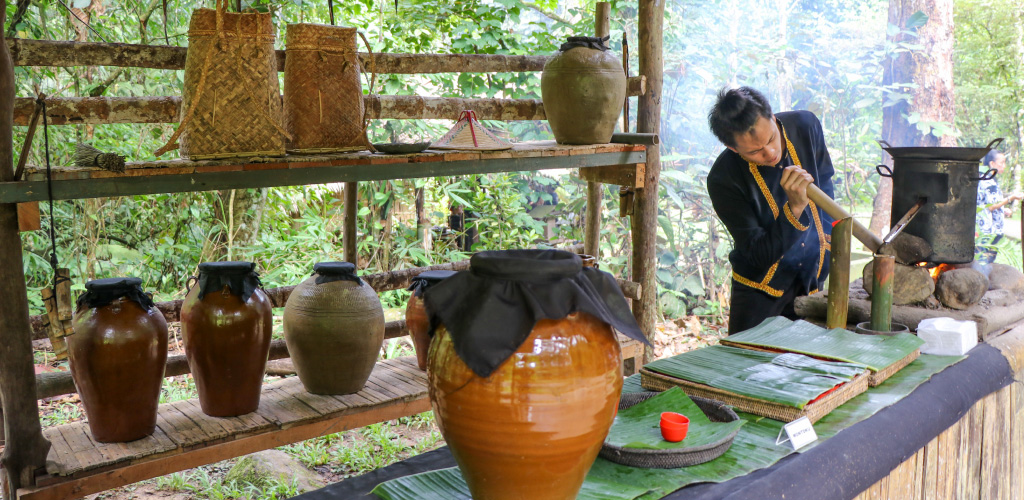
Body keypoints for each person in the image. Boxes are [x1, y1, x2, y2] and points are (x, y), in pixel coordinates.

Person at [706, 87, 835, 334]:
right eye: (755, 151)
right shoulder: (723, 179)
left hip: (811, 279)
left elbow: (826, 181)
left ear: (774, 119)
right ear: (733, 148)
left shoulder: (806, 126)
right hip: (760, 293)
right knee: (749, 369)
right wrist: (795, 208)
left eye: (771, 138)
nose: (770, 153)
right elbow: (758, 254)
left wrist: (826, 242)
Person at [975, 150, 1022, 264]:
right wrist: (1011, 198)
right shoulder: (988, 182)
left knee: (985, 262)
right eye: (1002, 162)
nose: (1004, 166)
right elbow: (991, 207)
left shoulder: (987, 179)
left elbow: (987, 204)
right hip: (987, 232)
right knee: (984, 263)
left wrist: (1002, 209)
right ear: (992, 164)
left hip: (986, 231)